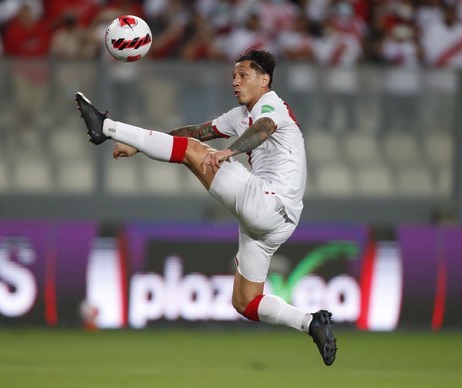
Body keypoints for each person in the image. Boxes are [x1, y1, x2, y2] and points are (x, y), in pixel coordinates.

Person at [75, 48, 337, 366]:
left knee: (196, 152)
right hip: (277, 222)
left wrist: (229, 152)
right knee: (245, 301)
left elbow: (262, 129)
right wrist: (139, 146)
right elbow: (192, 134)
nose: (235, 82)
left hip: (271, 201)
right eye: (233, 76)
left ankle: (106, 127)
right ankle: (312, 323)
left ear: (264, 79)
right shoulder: (238, 116)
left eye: (243, 75)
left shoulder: (271, 105)